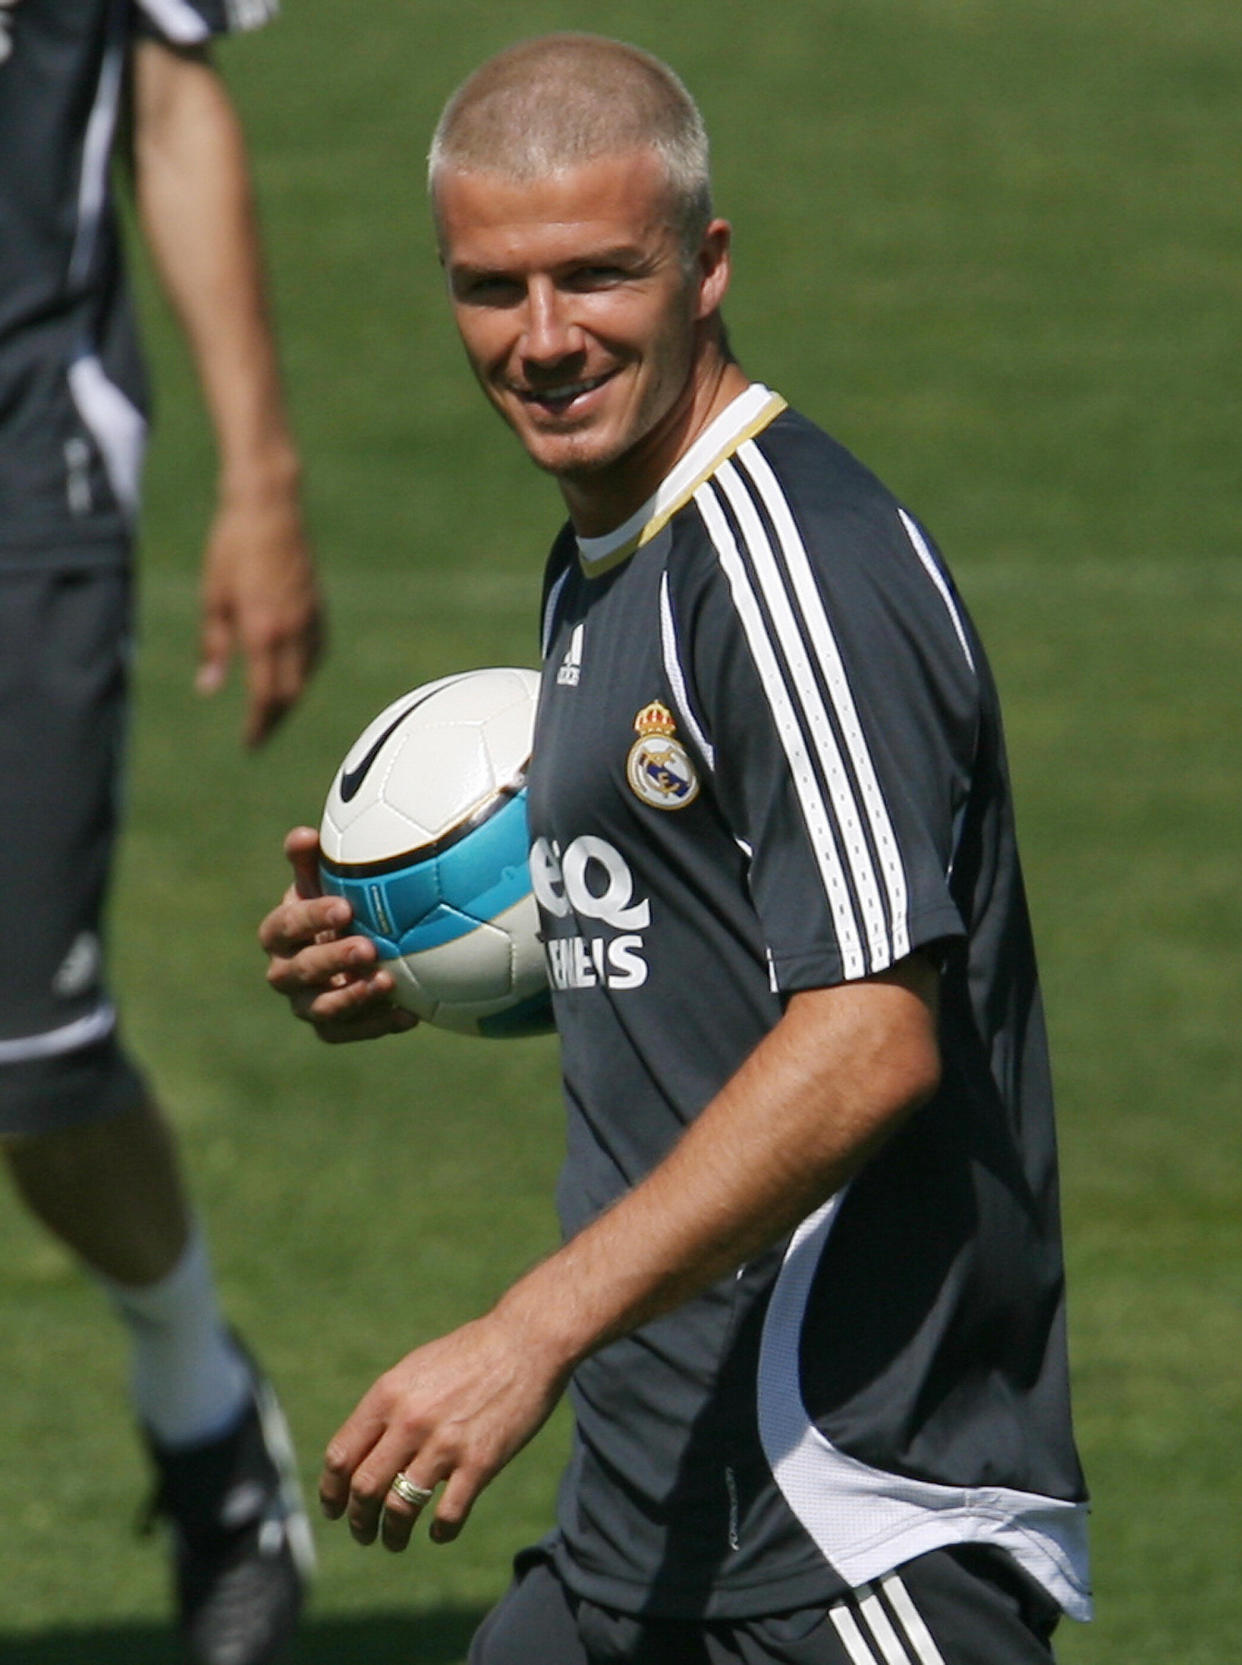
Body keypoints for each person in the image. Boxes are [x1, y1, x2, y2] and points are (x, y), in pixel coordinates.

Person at [260, 33, 1091, 1665]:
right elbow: (703, 926)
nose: (545, 340)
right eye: (492, 288)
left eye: (597, 276)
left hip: (848, 1535)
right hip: (646, 1524)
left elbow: (864, 1036)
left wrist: (526, 1330)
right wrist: (411, 959)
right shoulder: (599, 563)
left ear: (705, 267)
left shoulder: (790, 574)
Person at [0, 5, 321, 1664]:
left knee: (29, 1058)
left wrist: (257, 471)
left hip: (22, 474)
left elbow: (172, 100)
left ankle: (206, 1425)